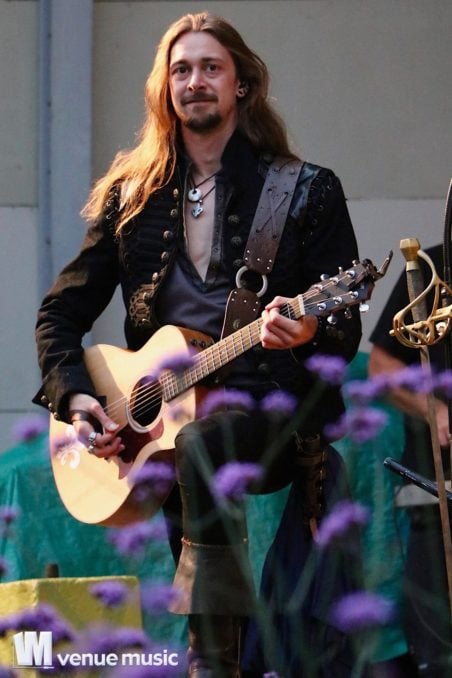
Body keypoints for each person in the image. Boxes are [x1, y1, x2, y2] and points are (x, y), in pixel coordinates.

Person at [33, 12, 362, 677]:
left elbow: (344, 327)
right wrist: (76, 398)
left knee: (201, 442)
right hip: (163, 413)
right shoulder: (130, 196)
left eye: (211, 67)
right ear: (165, 88)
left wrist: (306, 332)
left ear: (241, 84)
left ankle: (209, 661)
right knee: (189, 439)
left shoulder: (304, 190)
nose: (195, 81)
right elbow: (60, 313)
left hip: (270, 402)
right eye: (181, 69)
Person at [369, 243, 452, 677]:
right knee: (439, 649)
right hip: (437, 489)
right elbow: (381, 368)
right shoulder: (426, 270)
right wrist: (433, 409)